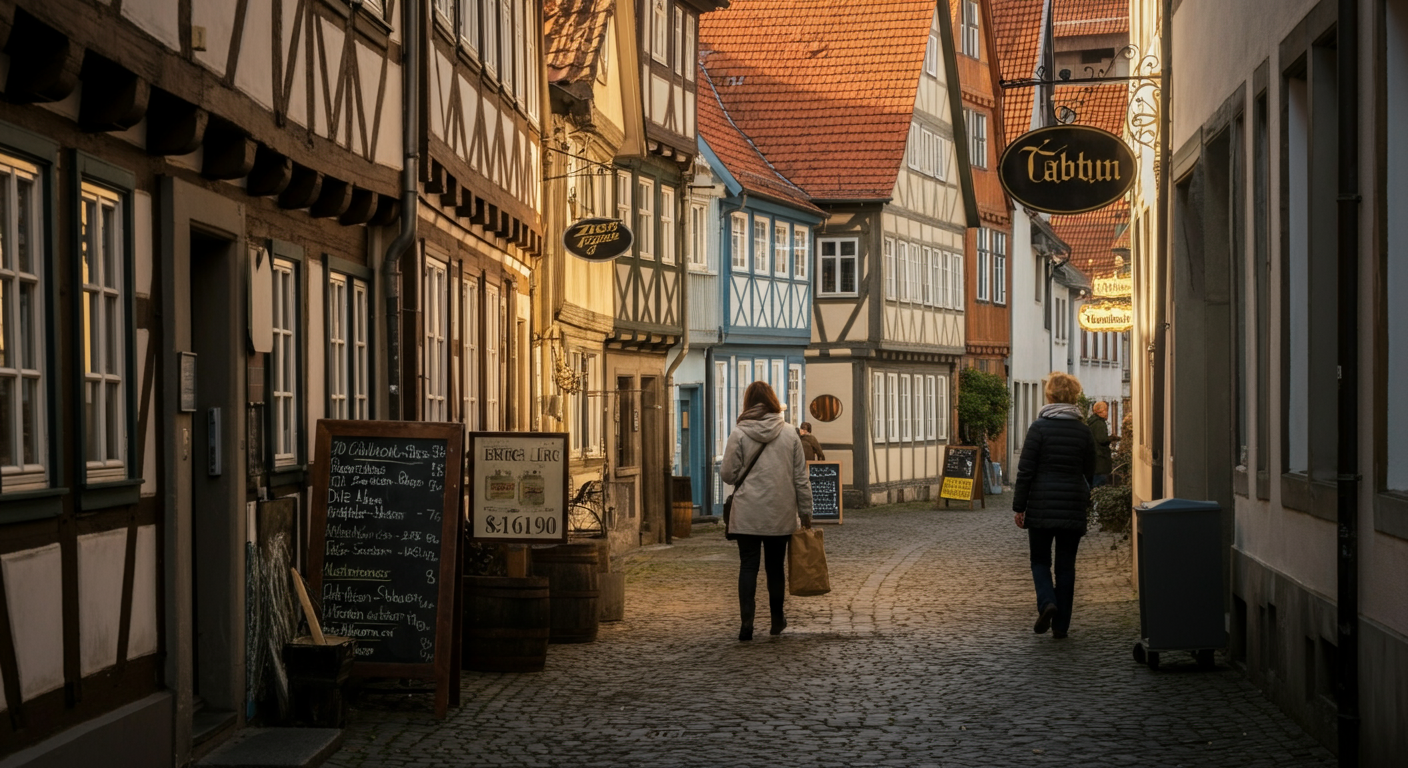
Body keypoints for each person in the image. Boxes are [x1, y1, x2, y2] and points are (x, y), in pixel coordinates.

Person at [720, 381, 813, 641]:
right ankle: (776, 620)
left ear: (748, 403)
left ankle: (746, 625)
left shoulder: (739, 433)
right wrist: (806, 511)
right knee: (775, 568)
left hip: (747, 512)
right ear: (773, 401)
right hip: (779, 512)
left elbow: (727, 474)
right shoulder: (790, 434)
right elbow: (800, 478)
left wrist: (742, 476)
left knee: (748, 566)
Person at [1012, 372, 1096, 640]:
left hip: (1040, 505)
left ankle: (1047, 601)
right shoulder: (1084, 431)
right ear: (1074, 397)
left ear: (1049, 395)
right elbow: (1089, 471)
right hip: (1072, 505)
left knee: (1039, 560)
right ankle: (1061, 626)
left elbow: (1025, 470)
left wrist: (1019, 506)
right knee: (1066, 566)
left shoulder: (1038, 428)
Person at [1087, 401, 1114, 488]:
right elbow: (1102, 440)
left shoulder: (1092, 422)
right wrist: (1111, 438)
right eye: (1106, 410)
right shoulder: (1099, 423)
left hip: (1094, 462)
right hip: (1101, 462)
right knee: (1099, 487)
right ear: (1100, 411)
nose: (1107, 413)